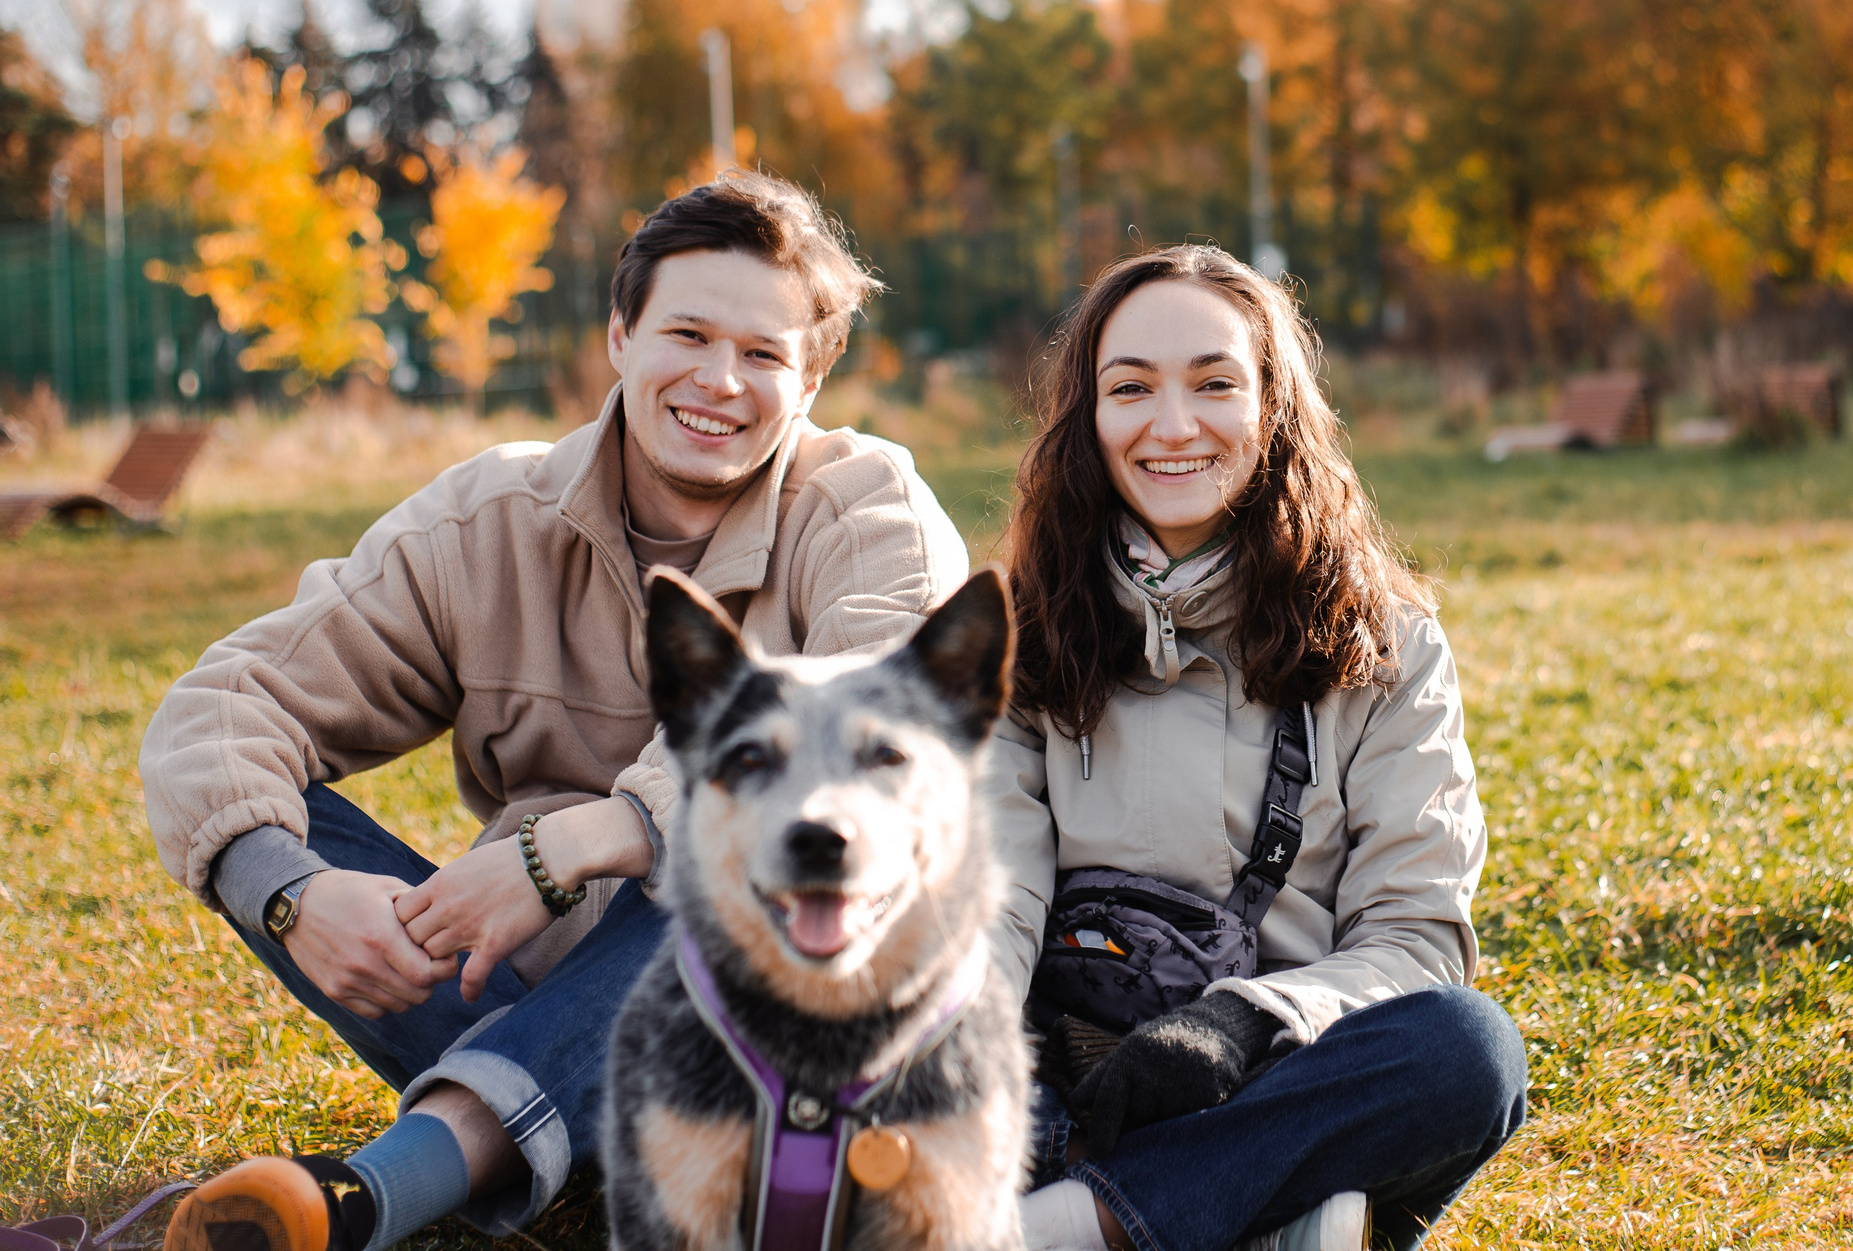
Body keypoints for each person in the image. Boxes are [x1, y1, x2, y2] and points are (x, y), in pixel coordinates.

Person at [139, 173, 970, 1251]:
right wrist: (291, 893)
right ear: (620, 336)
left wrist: (575, 846)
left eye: (764, 355)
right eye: (688, 334)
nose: (720, 381)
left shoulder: (867, 507)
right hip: (525, 980)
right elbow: (223, 705)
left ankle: (375, 1194)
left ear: (811, 379)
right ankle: (535, 1097)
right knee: (263, 816)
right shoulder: (493, 514)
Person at [994, 246, 1525, 1251]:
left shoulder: (1389, 644)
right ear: (1086, 420)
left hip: (1276, 1073)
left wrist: (1236, 1026)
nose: (1173, 425)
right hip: (1058, 1085)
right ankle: (1259, 1214)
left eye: (1215, 384)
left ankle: (1074, 1227)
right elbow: (996, 897)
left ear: (1276, 405)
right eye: (1130, 389)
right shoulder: (1018, 635)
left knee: (1468, 1052)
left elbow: (1416, 937)